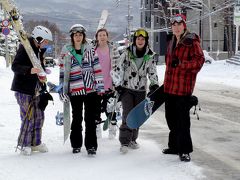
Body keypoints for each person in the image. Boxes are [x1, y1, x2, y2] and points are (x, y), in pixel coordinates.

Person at [162, 14, 205, 162]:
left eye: (179, 24)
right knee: (170, 119)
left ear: (184, 25)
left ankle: (185, 150)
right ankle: (174, 146)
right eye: (173, 25)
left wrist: (181, 64)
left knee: (182, 122)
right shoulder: (171, 40)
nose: (176, 27)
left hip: (182, 89)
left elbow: (199, 61)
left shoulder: (191, 41)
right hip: (169, 88)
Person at [59, 24, 104, 155]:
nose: (78, 37)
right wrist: (62, 90)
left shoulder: (90, 49)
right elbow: (62, 72)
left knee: (90, 118)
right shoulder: (66, 51)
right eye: (75, 35)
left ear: (83, 36)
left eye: (80, 35)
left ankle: (91, 146)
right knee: (77, 117)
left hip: (90, 89)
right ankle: (76, 144)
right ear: (72, 37)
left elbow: (97, 68)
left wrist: (100, 86)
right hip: (75, 89)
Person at [111, 28, 159, 154]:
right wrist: (117, 85)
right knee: (127, 114)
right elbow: (117, 69)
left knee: (138, 115)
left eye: (143, 39)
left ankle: (133, 139)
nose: (140, 41)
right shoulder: (126, 54)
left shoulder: (150, 55)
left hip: (141, 90)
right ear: (134, 40)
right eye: (138, 39)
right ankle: (124, 141)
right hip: (127, 89)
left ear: (146, 41)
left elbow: (153, 71)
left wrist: (154, 84)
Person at [11, 25, 53, 155]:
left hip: (36, 89)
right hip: (23, 88)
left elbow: (38, 65)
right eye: (45, 41)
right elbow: (15, 66)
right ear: (38, 38)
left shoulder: (38, 50)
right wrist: (29, 70)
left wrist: (42, 70)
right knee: (28, 116)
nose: (46, 44)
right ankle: (24, 144)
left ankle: (36, 143)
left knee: (39, 116)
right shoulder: (25, 48)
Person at [94, 28, 120, 139]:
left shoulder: (113, 49)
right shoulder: (93, 49)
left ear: (107, 36)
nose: (102, 37)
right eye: (100, 35)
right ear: (97, 37)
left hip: (110, 85)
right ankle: (97, 130)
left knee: (110, 109)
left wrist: (118, 82)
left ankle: (112, 131)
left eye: (104, 35)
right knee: (96, 110)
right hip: (96, 86)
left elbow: (118, 66)